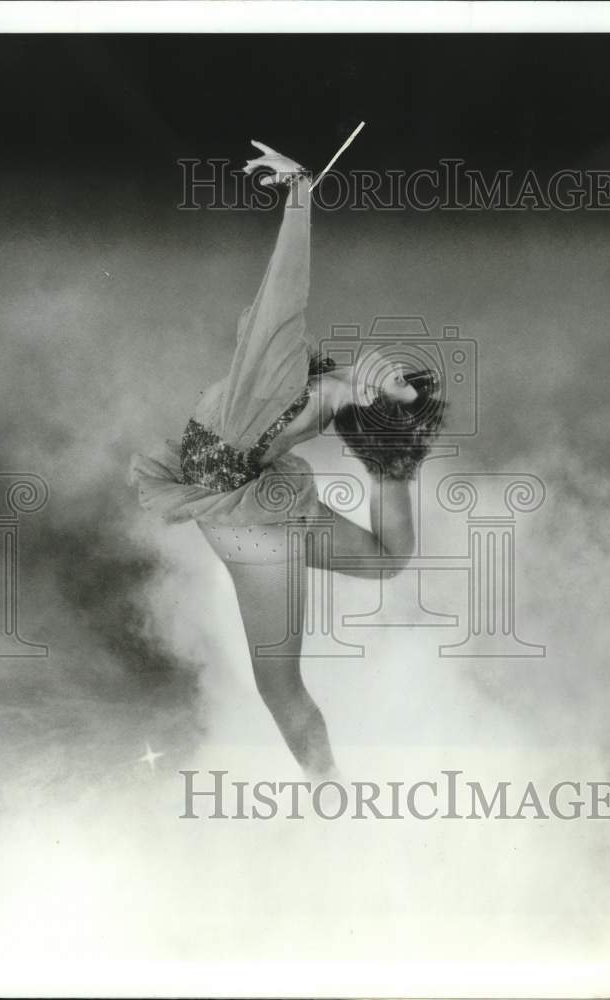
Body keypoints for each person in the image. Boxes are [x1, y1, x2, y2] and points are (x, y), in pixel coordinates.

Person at [130, 141, 444, 778]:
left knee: (280, 687)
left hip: (253, 524)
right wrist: (397, 401)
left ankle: (330, 800)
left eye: (380, 385)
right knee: (387, 560)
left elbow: (284, 292)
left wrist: (300, 192)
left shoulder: (280, 378)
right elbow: (289, 315)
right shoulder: (324, 386)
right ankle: (331, 794)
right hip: (249, 497)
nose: (376, 368)